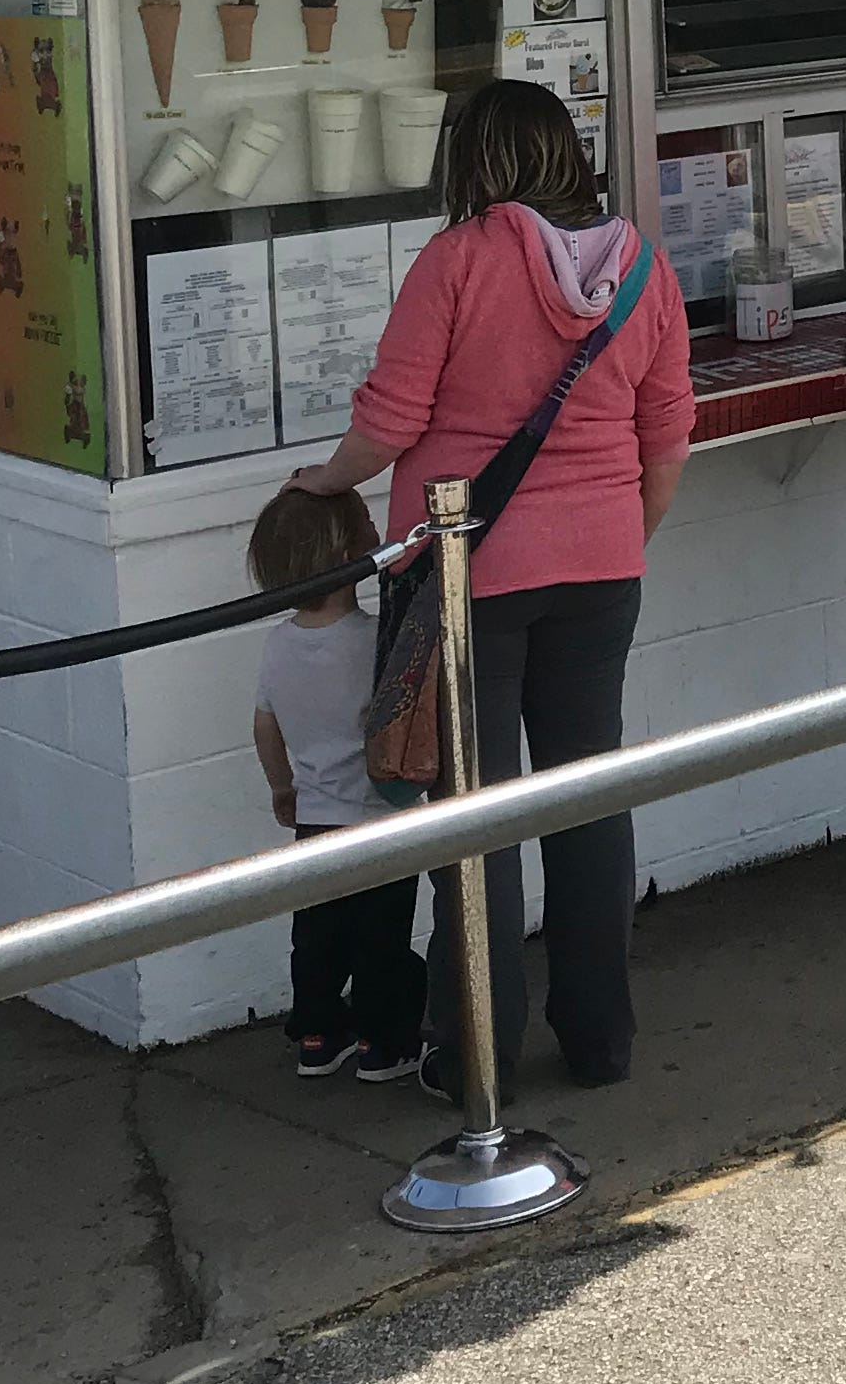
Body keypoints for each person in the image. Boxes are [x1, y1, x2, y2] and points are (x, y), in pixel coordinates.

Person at [287, 83, 687, 1092]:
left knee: (476, 820)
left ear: (478, 160)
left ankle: (477, 1058)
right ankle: (600, 1041)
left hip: (468, 576)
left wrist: (324, 481)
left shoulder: (457, 261)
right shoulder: (643, 266)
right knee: (589, 801)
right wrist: (617, 535)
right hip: (601, 569)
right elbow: (667, 431)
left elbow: (391, 420)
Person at [246, 483, 426, 1082]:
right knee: (381, 939)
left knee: (317, 938)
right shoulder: (375, 641)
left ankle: (318, 1035)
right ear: (353, 557)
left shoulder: (278, 645)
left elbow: (265, 726)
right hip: (380, 819)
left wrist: (282, 788)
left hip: (315, 819)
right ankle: (384, 1042)